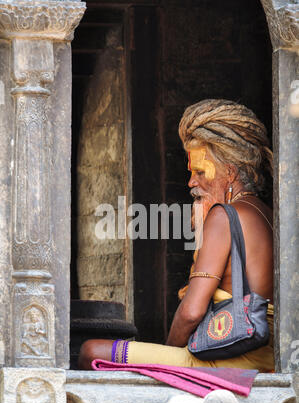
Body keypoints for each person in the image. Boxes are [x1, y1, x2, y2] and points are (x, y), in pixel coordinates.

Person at [78, 99, 274, 373]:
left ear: (230, 172)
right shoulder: (268, 214)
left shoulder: (224, 215)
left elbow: (191, 312)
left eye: (200, 172)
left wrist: (166, 359)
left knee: (90, 350)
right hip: (265, 358)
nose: (192, 182)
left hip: (231, 361)